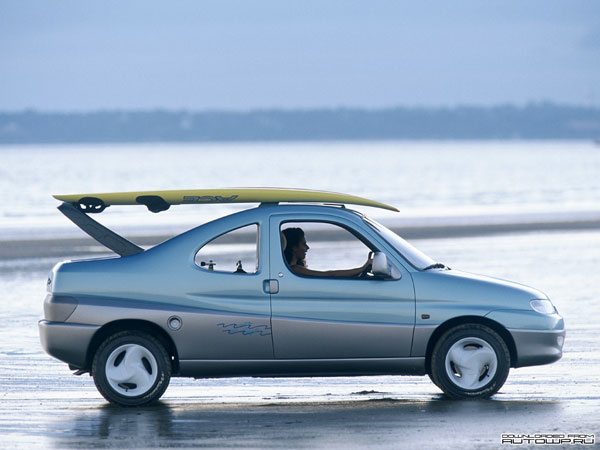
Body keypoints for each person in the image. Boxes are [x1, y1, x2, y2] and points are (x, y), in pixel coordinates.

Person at [281, 227, 373, 277]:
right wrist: (362, 268)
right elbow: (329, 274)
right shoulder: (294, 269)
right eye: (303, 244)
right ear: (294, 247)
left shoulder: (292, 269)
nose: (307, 247)